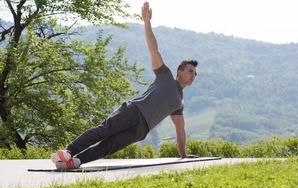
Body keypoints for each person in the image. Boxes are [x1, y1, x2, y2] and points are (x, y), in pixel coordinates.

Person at [51, 1, 199, 169]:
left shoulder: (179, 102)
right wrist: (147, 22)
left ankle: (75, 162)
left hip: (141, 129)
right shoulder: (165, 75)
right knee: (104, 131)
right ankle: (68, 152)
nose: (193, 75)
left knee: (110, 146)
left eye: (195, 73)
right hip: (132, 111)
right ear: (179, 72)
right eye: (190, 71)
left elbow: (180, 130)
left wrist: (184, 155)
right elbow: (154, 50)